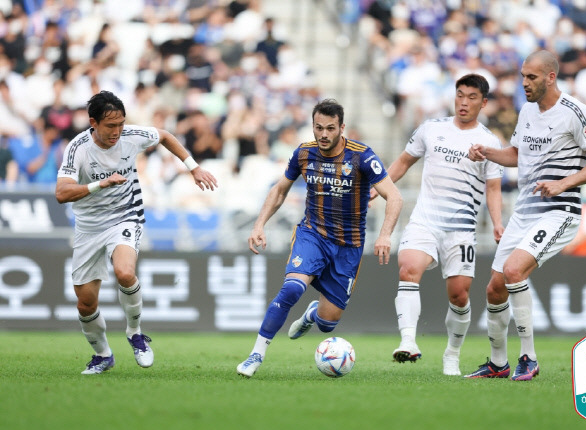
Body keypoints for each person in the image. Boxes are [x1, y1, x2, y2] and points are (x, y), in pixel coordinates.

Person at [465, 50, 586, 381]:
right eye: (522, 76)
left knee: (515, 270)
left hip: (560, 211)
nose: (524, 83)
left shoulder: (577, 113)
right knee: (494, 288)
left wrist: (565, 183)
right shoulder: (528, 112)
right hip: (525, 211)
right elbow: (516, 156)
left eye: (531, 77)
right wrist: (486, 151)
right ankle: (498, 363)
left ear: (550, 77)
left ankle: (528, 358)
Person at [236, 99, 403, 378]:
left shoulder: (362, 156)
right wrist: (259, 225)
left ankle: (314, 314)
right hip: (312, 234)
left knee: (328, 323)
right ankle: (256, 354)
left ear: (341, 127)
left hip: (348, 246)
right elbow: (280, 190)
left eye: (330, 128)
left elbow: (394, 196)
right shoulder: (304, 153)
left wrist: (385, 234)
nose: (323, 134)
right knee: (291, 290)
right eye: (318, 128)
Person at [55, 90, 218, 374]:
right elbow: (61, 193)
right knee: (85, 304)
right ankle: (103, 354)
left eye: (120, 124)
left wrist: (193, 168)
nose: (117, 131)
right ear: (93, 122)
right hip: (88, 227)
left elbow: (166, 135)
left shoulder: (131, 135)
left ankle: (135, 333)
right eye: (110, 126)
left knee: (125, 273)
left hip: (125, 216)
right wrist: (100, 184)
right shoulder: (78, 148)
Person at [372, 74, 504, 376]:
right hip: (425, 219)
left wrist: (497, 223)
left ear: (483, 103)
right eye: (460, 95)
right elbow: (404, 162)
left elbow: (493, 188)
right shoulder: (431, 130)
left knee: (459, 295)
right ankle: (408, 341)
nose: (464, 102)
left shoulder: (490, 142)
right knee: (408, 267)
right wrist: (380, 187)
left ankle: (452, 354)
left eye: (472, 97)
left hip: (461, 229)